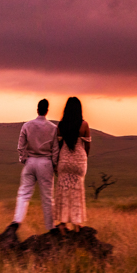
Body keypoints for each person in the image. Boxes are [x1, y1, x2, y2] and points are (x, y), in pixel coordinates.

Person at [10, 99, 57, 230]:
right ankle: (51, 228)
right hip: (46, 162)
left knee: (24, 193)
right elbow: (56, 150)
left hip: (30, 161)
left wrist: (24, 159)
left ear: (37, 110)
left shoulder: (27, 125)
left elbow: (21, 146)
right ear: (47, 111)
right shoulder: (53, 128)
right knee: (47, 198)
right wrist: (54, 165)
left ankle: (16, 220)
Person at [52, 96, 92, 229]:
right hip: (79, 161)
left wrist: (56, 163)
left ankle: (63, 223)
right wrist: (84, 158)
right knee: (77, 190)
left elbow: (57, 145)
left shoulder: (61, 125)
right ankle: (76, 222)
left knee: (64, 190)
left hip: (64, 159)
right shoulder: (84, 125)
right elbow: (87, 146)